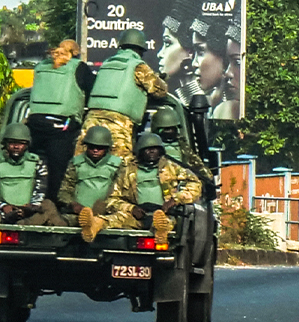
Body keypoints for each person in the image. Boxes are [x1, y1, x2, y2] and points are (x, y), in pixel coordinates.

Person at [83, 133, 201, 245]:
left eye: (155, 148)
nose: (151, 152)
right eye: (147, 149)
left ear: (161, 151)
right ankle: (92, 226)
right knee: (114, 219)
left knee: (165, 223)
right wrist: (131, 208)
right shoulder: (127, 171)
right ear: (140, 151)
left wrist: (176, 199)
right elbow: (113, 199)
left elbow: (195, 184)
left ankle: (160, 233)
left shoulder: (173, 167)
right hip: (137, 214)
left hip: (163, 213)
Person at [78, 28, 167, 159]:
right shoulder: (138, 66)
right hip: (118, 124)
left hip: (90, 121)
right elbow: (160, 92)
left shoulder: (107, 63)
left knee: (82, 164)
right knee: (121, 169)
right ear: (141, 50)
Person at [27, 39, 95, 201]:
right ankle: (52, 204)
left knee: (30, 165)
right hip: (61, 126)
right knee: (59, 170)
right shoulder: (79, 67)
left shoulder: (40, 67)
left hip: (34, 124)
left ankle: (29, 201)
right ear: (75, 53)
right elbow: (93, 90)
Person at [0, 123, 64, 227]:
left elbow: (40, 191)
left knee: (48, 205)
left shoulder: (36, 162)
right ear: (5, 144)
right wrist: (3, 206)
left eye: (21, 143)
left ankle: (25, 223)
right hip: (3, 211)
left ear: (27, 145)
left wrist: (30, 207)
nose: (16, 146)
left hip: (30, 211)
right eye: (12, 143)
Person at [56, 126, 122, 227]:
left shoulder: (117, 165)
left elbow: (120, 192)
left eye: (100, 148)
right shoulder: (76, 163)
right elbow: (65, 190)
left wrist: (107, 206)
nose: (95, 150)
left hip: (105, 215)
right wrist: (72, 204)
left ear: (107, 148)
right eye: (91, 147)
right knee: (59, 221)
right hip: (77, 214)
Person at [149, 109, 213, 185]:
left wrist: (204, 175)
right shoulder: (149, 149)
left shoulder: (183, 146)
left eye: (173, 128)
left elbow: (198, 165)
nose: (170, 131)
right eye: (166, 129)